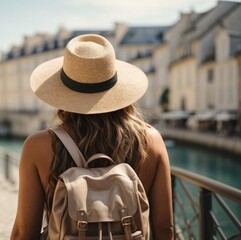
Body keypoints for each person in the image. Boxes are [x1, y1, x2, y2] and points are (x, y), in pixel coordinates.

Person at [11, 34, 174, 239]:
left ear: (63, 92)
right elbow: (164, 228)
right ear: (118, 89)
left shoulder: (38, 146)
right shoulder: (151, 141)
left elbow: (25, 232)